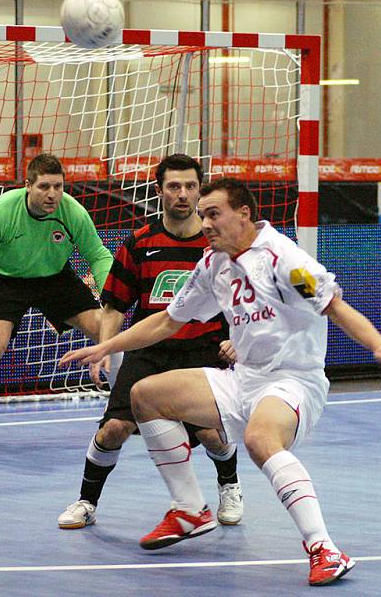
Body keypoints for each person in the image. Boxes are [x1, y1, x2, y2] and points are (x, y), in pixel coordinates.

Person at [60, 178, 381, 587]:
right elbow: (167, 321)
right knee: (145, 396)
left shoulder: (284, 259)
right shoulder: (214, 264)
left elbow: (334, 306)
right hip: (243, 378)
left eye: (214, 214)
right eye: (202, 215)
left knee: (260, 441)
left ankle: (324, 548)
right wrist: (106, 346)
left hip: (292, 381)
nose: (205, 223)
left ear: (244, 214)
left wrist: (380, 346)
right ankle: (190, 508)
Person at [57, 154, 244, 530]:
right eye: (174, 186)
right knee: (113, 430)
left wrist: (237, 342)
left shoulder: (218, 246)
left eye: (191, 186)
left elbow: (244, 302)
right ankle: (86, 502)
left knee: (211, 433)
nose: (183, 194)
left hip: (203, 352)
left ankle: (229, 485)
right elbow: (114, 307)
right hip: (150, 353)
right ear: (158, 191)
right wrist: (104, 351)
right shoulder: (140, 243)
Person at [0, 153, 114, 437]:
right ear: (28, 185)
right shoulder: (2, 212)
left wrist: (111, 303)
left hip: (55, 278)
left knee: (106, 329)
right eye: (44, 186)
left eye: (58, 186)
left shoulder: (72, 212)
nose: (52, 194)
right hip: (7, 281)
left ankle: (122, 409)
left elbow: (98, 256)